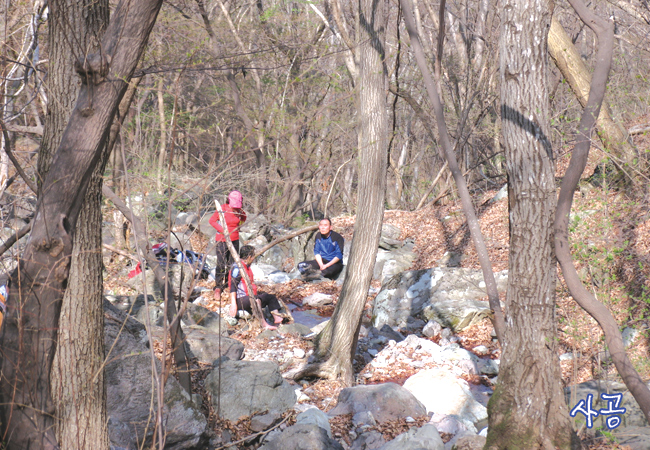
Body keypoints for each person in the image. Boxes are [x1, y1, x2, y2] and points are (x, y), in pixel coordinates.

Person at [229, 245, 284, 330]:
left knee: (270, 297)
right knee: (256, 300)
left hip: (250, 296)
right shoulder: (237, 268)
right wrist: (233, 304)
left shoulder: (247, 266)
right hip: (241, 300)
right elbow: (232, 286)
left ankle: (277, 319)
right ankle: (264, 323)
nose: (254, 258)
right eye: (253, 256)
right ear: (250, 257)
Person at [209, 190, 247, 298]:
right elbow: (212, 221)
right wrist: (222, 230)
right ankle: (218, 286)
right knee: (221, 263)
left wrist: (238, 226)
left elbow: (244, 218)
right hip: (221, 240)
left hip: (234, 240)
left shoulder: (240, 211)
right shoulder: (223, 209)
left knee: (232, 264)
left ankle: (230, 284)